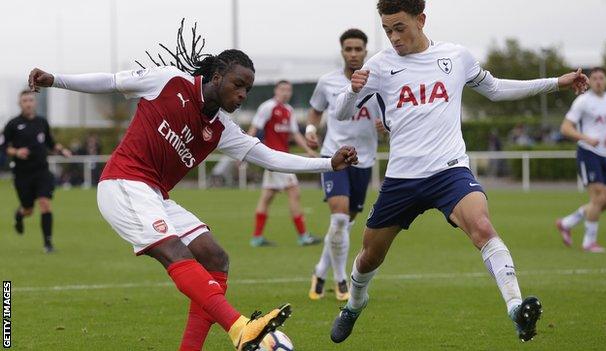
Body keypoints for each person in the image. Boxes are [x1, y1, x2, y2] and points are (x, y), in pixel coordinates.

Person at [28, 20, 358, 351]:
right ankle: (241, 328)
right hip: (122, 183)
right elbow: (111, 82)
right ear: (217, 77)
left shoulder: (222, 128)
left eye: (247, 89)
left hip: (155, 196)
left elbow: (270, 157)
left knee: (215, 258)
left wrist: (327, 163)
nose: (242, 95)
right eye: (238, 85)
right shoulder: (168, 81)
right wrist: (56, 80)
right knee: (175, 252)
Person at [328, 0, 589, 344]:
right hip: (402, 178)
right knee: (369, 255)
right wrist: (352, 90)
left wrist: (556, 82)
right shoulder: (378, 66)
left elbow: (495, 89)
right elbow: (342, 113)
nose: (393, 37)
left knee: (482, 226)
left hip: (448, 170)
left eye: (399, 27)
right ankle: (355, 304)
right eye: (387, 30)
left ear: (421, 20)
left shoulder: (455, 57)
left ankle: (516, 308)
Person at [305, 29, 383, 301]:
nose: (353, 54)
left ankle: (320, 270)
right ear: (342, 52)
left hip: (364, 161)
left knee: (343, 226)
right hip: (333, 158)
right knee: (338, 219)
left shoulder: (378, 82)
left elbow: (390, 117)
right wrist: (310, 129)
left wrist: (385, 126)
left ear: (365, 51)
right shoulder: (327, 82)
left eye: (358, 49)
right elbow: (315, 110)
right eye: (348, 49)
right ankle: (341, 281)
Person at [248, 80, 321, 247]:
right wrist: (243, 151)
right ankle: (303, 236)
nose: (285, 93)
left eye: (288, 90)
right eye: (282, 89)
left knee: (267, 197)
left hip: (280, 159)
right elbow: (254, 128)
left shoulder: (289, 110)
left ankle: (257, 237)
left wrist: (309, 151)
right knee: (294, 193)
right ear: (276, 90)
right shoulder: (268, 107)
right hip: (276, 159)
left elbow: (295, 134)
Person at [0, 90, 72, 253]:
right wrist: (16, 152)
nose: (28, 103)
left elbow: (50, 143)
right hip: (22, 174)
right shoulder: (12, 124)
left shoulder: (42, 122)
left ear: (35, 103)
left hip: (41, 172)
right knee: (28, 210)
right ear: (20, 103)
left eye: (31, 100)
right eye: (25, 100)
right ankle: (19, 215)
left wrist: (62, 150)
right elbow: (3, 147)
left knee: (45, 204)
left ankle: (48, 244)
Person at [556, 67, 606, 253]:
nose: (598, 81)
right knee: (598, 198)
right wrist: (585, 138)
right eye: (595, 78)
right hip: (588, 152)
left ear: (605, 81)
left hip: (604, 154)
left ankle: (566, 223)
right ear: (590, 81)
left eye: (601, 77)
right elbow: (565, 128)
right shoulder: (582, 101)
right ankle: (589, 242)